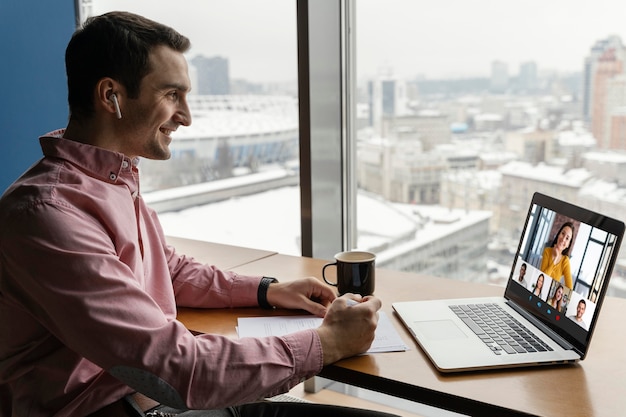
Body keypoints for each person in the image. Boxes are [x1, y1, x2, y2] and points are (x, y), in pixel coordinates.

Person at [0, 12, 400, 417]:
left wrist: (267, 290)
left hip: (162, 403)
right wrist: (328, 342)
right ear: (111, 96)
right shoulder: (48, 215)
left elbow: (166, 269)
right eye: (172, 95)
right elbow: (183, 370)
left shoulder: (111, 181)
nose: (186, 116)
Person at [540, 222, 575, 289]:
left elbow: (570, 288)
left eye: (567, 238)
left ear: (568, 244)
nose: (563, 239)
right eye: (563, 233)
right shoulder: (547, 251)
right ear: (558, 234)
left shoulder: (565, 260)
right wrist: (555, 259)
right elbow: (542, 278)